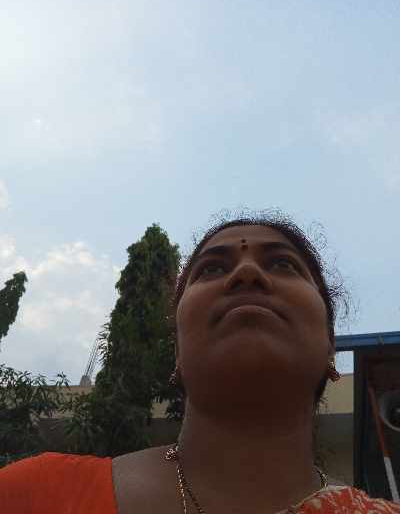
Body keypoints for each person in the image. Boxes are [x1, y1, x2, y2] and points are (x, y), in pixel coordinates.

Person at [1, 213, 400, 513]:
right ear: (178, 351)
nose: (246, 272)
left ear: (330, 346)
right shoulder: (33, 497)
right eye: (212, 268)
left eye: (283, 264)